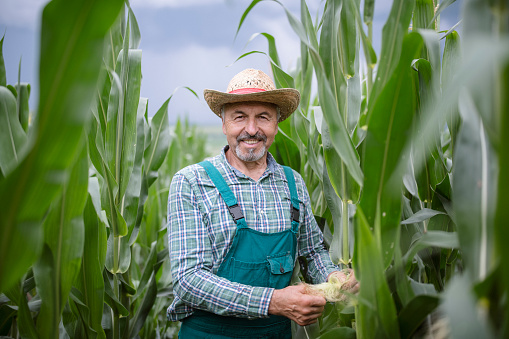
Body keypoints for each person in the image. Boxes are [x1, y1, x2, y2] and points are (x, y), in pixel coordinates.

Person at [167, 69, 358, 338]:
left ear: (276, 125)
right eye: (240, 117)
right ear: (224, 125)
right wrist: (274, 301)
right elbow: (189, 281)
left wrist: (332, 278)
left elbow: (312, 252)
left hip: (274, 333)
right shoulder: (192, 182)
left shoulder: (293, 183)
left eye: (263, 117)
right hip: (210, 332)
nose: (252, 129)